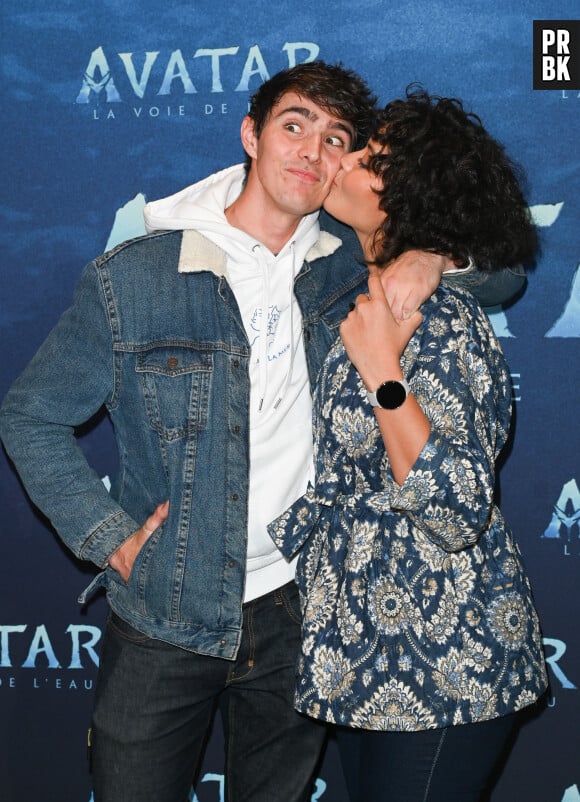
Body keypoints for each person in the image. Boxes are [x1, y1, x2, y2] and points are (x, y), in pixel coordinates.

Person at [0, 62, 526, 802]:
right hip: (167, 609)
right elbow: (30, 413)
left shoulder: (351, 265)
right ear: (250, 134)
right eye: (294, 125)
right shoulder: (139, 275)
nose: (314, 151)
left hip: (302, 612)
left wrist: (429, 254)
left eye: (336, 137)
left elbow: (500, 269)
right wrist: (105, 533)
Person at [269, 87, 548, 802]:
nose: (345, 161)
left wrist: (385, 374)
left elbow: (457, 507)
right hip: (368, 660)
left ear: (410, 197)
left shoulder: (442, 321)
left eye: (368, 157)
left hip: (442, 661)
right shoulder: (371, 292)